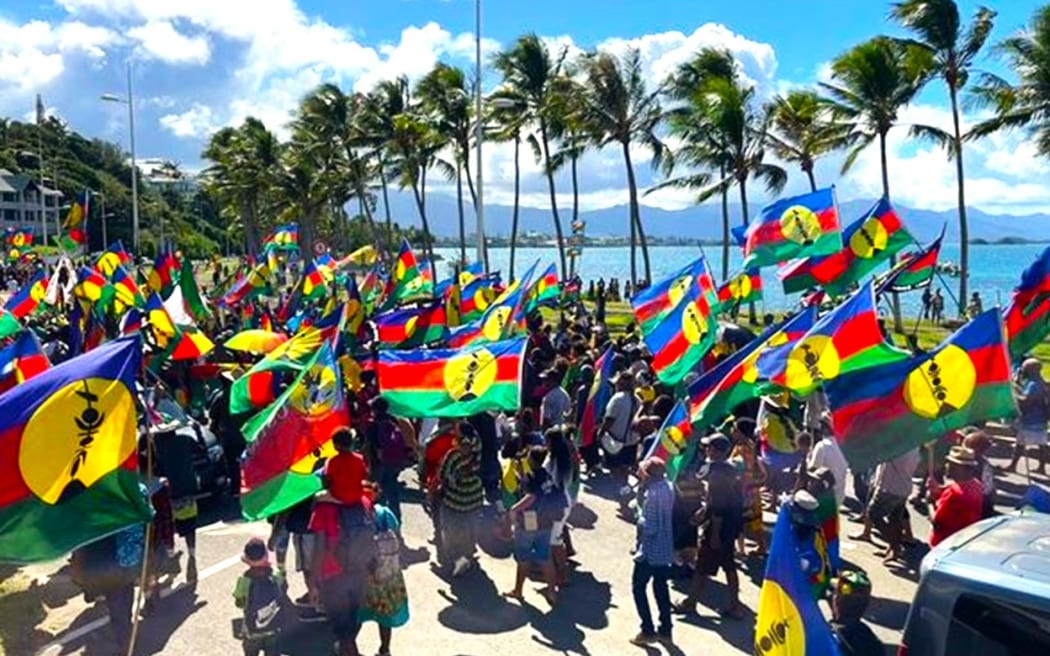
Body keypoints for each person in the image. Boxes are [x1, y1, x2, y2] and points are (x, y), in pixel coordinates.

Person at [674, 433, 746, 620]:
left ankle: (690, 602)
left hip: (719, 527)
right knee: (728, 566)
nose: (706, 450)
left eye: (710, 447)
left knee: (702, 566)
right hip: (731, 525)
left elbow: (719, 507)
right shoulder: (730, 469)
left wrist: (713, 533)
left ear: (718, 451)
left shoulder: (716, 476)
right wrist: (704, 510)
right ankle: (735, 605)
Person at [503, 446, 561, 606]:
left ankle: (518, 590)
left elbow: (531, 496)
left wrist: (514, 509)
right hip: (546, 523)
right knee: (545, 558)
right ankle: (551, 592)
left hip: (529, 522)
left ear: (531, 459)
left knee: (523, 558)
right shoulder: (547, 476)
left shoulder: (532, 477)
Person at [630, 457, 676, 647]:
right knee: (661, 587)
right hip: (665, 548)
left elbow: (650, 527)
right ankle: (666, 629)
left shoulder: (651, 495)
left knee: (638, 587)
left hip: (650, 550)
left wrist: (639, 515)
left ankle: (647, 629)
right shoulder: (668, 487)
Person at [850, 448, 920, 563]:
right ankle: (893, 549)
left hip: (889, 487)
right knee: (895, 519)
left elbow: (881, 455)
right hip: (903, 487)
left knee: (873, 514)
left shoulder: (898, 448)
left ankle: (895, 545)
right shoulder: (914, 448)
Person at [358, 503, 409, 656]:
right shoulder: (386, 512)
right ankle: (384, 650)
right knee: (385, 618)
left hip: (368, 577)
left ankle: (345, 645)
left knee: (357, 614)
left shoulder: (359, 514)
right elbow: (397, 530)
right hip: (389, 577)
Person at [437, 422, 484, 576]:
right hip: (474, 498)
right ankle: (468, 554)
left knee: (450, 530)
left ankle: (455, 561)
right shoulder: (478, 449)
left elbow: (442, 475)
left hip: (455, 500)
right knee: (470, 528)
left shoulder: (454, 454)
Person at [233, 537, 290, 656]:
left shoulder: (244, 580)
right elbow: (284, 588)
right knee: (273, 651)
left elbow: (239, 602)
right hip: (274, 626)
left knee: (250, 651)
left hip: (252, 628)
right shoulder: (276, 575)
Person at [365, 397, 416, 522]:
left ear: (374, 409)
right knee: (392, 491)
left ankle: (381, 524)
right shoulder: (394, 420)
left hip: (378, 464)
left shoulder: (372, 424)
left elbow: (369, 446)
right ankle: (396, 521)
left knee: (378, 495)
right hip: (394, 461)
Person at [928, 446, 985, 547]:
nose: (947, 466)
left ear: (960, 468)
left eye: (950, 464)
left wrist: (929, 502)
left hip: (944, 543)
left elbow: (937, 523)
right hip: (964, 539)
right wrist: (939, 488)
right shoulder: (977, 485)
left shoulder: (953, 494)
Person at [729, 417, 767, 556]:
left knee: (739, 520)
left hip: (742, 489)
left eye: (734, 428)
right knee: (754, 520)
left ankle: (741, 550)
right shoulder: (750, 444)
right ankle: (761, 546)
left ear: (741, 432)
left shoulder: (742, 448)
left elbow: (738, 467)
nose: (732, 431)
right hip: (752, 488)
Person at [830, 570, 885, 656]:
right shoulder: (870, 638)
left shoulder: (829, 637)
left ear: (837, 601)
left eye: (834, 593)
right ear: (865, 605)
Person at [1010, 358, 1048, 475]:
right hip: (1041, 419)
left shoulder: (1033, 385)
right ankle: (1042, 467)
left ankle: (1013, 465)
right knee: (1041, 444)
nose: (1023, 371)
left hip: (1031, 419)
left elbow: (1026, 401)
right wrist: (1017, 385)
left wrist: (1014, 393)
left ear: (1031, 370)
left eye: (1025, 369)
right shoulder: (1041, 382)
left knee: (1020, 443)